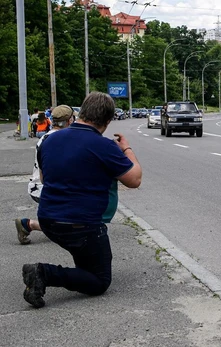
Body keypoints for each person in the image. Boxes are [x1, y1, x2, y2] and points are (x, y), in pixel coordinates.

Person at [21, 92, 142, 309]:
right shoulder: (104, 146)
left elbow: (43, 178)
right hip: (81, 227)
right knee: (99, 282)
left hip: (47, 220)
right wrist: (126, 149)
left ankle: (70, 270)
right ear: (107, 121)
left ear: (81, 113)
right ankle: (43, 273)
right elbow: (134, 179)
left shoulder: (49, 140)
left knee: (87, 265)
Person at [15, 105, 76, 245]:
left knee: (69, 222)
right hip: (45, 188)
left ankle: (30, 225)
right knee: (71, 224)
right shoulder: (59, 140)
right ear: (69, 121)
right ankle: (29, 225)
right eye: (73, 118)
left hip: (39, 185)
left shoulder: (48, 137)